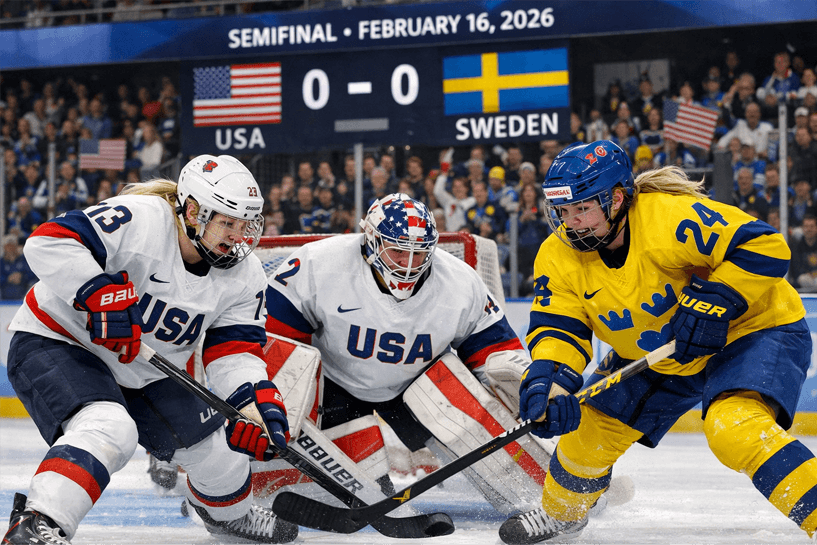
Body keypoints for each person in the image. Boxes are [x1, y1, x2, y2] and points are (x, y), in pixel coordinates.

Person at [500, 140, 814, 545]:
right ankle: (561, 517)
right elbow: (558, 328)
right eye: (563, 211)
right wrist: (551, 381)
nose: (571, 222)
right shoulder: (557, 256)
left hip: (750, 329)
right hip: (658, 356)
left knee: (734, 428)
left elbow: (766, 246)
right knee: (585, 440)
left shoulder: (668, 217)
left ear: (617, 199)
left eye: (583, 209)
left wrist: (717, 297)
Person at [2, 154, 298, 545]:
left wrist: (250, 402)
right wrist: (98, 293)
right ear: (192, 211)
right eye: (227, 222)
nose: (238, 237)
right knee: (109, 427)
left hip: (145, 370)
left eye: (246, 225)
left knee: (221, 451)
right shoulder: (140, 218)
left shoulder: (245, 276)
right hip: (60, 341)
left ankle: (229, 516)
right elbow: (47, 241)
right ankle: (38, 522)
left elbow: (234, 352)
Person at [265, 193, 559, 534]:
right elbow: (275, 344)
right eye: (398, 250)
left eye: (419, 252)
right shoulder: (318, 264)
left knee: (465, 412)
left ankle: (558, 494)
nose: (408, 263)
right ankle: (240, 485)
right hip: (336, 388)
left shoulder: (460, 282)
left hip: (417, 389)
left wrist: (520, 379)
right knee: (359, 486)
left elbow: (496, 349)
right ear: (371, 241)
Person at [790, 214, 817, 293]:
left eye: (811, 226)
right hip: (805, 280)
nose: (809, 229)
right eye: (806, 226)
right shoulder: (796, 246)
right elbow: (796, 269)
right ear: (802, 228)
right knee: (803, 279)